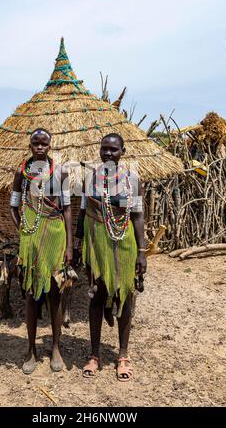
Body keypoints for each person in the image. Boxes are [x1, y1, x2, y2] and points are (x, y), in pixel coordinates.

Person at [73, 133, 147, 381]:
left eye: (113, 150)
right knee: (97, 296)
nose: (107, 153)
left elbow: (137, 217)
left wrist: (142, 252)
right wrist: (77, 245)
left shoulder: (133, 181)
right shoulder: (90, 179)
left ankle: (123, 355)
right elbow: (83, 214)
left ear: (123, 152)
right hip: (96, 246)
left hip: (124, 244)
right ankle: (94, 355)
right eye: (104, 149)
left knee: (125, 295)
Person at [10, 128, 73, 374]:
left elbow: (67, 208)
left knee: (56, 293)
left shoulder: (60, 172)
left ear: (50, 145)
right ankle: (30, 350)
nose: (39, 147)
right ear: (29, 144)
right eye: (35, 143)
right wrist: (24, 232)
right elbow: (14, 206)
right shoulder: (22, 173)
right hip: (31, 242)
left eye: (44, 143)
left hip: (56, 239)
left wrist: (69, 245)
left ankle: (56, 347)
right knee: (31, 295)